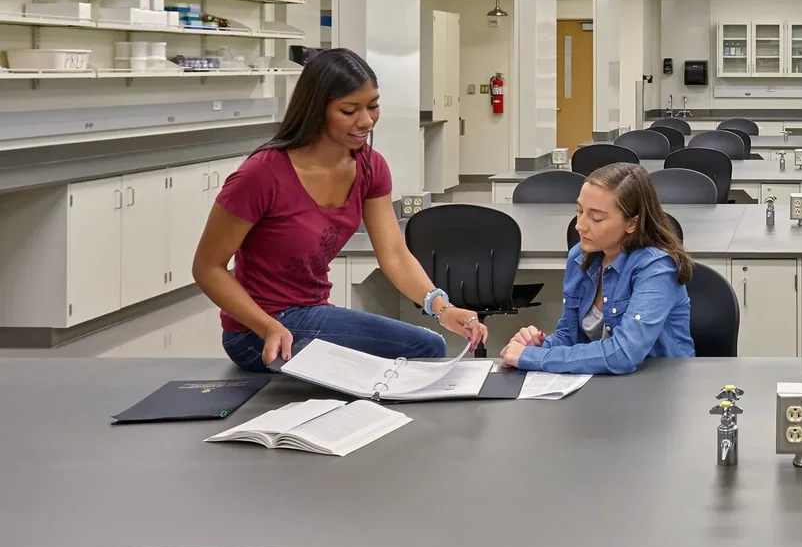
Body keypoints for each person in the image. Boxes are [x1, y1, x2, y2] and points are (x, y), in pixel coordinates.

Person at [193, 48, 488, 372]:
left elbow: (393, 253)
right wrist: (266, 327)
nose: (366, 120)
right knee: (425, 346)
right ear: (317, 111)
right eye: (349, 110)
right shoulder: (261, 174)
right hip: (257, 333)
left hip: (311, 314)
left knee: (426, 344)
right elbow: (208, 268)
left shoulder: (370, 167)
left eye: (373, 106)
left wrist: (442, 308)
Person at [500, 162, 693, 374]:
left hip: (659, 386)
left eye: (596, 217)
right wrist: (536, 346)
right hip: (604, 386)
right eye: (579, 211)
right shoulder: (579, 257)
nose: (580, 225)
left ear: (632, 223)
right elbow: (569, 336)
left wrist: (534, 357)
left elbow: (623, 354)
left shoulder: (656, 268)